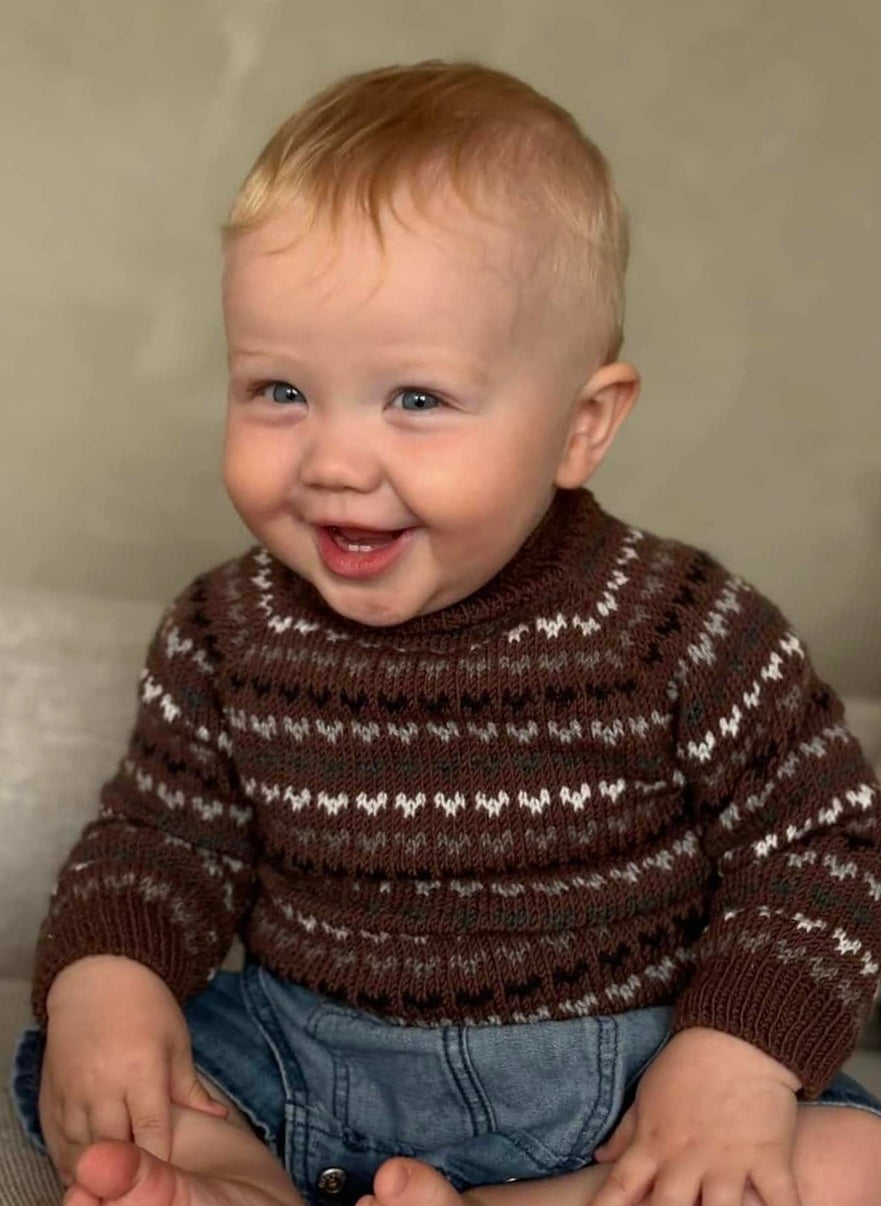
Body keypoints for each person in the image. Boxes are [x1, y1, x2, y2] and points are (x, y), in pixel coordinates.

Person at [10, 58, 881, 1206]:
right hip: (297, 1061)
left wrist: (731, 1055)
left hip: (612, 1087)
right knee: (79, 1070)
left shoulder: (677, 627)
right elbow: (165, 841)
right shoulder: (225, 631)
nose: (331, 460)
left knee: (851, 1160)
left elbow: (819, 846)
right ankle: (234, 1181)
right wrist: (108, 979)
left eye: (414, 399)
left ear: (578, 428)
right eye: (278, 390)